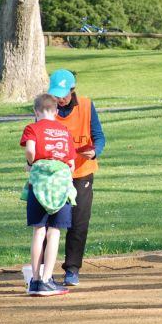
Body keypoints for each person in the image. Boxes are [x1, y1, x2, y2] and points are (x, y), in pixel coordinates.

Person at [46, 69, 106, 287]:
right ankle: (45, 272)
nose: (59, 99)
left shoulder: (87, 106)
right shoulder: (46, 108)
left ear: (73, 90)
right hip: (54, 175)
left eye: (63, 94)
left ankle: (72, 269)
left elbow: (98, 136)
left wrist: (95, 150)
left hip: (81, 172)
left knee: (78, 221)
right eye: (56, 94)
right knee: (51, 222)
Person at [20, 93, 76, 296]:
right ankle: (47, 279)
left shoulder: (32, 128)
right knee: (55, 231)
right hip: (59, 185)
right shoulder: (64, 131)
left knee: (39, 231)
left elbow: (30, 151)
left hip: (39, 185)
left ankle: (35, 281)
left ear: (36, 111)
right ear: (56, 111)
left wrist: (30, 163)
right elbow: (71, 164)